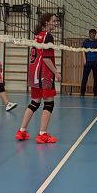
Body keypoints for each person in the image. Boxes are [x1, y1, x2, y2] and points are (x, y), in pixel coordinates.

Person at [16, 13, 61, 144]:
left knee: (35, 102)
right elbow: (46, 58)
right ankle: (42, 134)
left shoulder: (37, 36)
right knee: (49, 103)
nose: (56, 23)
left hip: (33, 75)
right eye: (54, 21)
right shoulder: (48, 36)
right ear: (47, 22)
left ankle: (22, 131)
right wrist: (56, 72)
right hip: (44, 75)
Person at [80, 28, 97, 97]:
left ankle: (96, 92)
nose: (93, 35)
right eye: (91, 33)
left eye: (94, 34)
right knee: (85, 78)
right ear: (89, 34)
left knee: (96, 78)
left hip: (95, 62)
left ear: (95, 34)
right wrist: (84, 60)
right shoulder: (86, 42)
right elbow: (83, 50)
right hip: (88, 62)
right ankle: (82, 92)